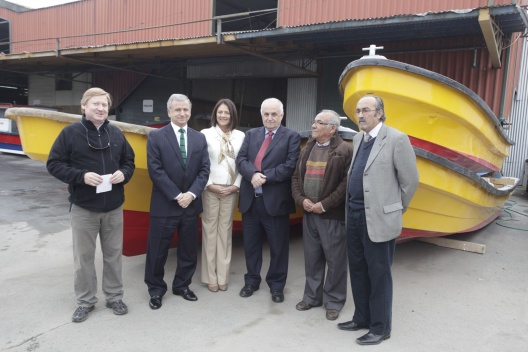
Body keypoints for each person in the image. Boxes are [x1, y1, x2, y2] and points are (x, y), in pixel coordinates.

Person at [47, 87, 135, 323]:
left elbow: (129, 161)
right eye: (95, 104)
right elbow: (54, 164)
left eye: (104, 105)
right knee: (83, 258)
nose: (100, 108)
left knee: (113, 255)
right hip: (84, 208)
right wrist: (81, 176)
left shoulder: (117, 134)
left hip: (114, 208)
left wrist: (123, 174)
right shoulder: (69, 134)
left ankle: (114, 297)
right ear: (84, 106)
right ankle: (86, 301)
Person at [338, 95, 418, 345]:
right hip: (353, 214)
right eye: (358, 111)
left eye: (366, 110)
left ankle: (381, 327)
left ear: (380, 113)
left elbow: (410, 181)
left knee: (379, 273)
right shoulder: (359, 138)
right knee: (359, 270)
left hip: (379, 218)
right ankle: (362, 318)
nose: (360, 115)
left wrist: (395, 209)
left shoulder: (396, 139)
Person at [144, 94, 209, 310]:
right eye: (177, 110)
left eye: (186, 110)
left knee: (189, 249)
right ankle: (155, 290)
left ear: (190, 112)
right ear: (169, 112)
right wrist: (176, 195)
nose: (182, 113)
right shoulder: (156, 137)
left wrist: (191, 194)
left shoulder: (199, 138)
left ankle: (182, 285)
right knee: (157, 250)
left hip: (190, 205)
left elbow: (204, 170)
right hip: (165, 204)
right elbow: (155, 170)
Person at [236, 97, 300, 303]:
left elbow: (290, 165)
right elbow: (241, 159)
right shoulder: (251, 134)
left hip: (275, 203)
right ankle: (252, 281)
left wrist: (264, 176)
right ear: (261, 115)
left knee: (278, 247)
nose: (270, 118)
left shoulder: (291, 136)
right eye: (266, 114)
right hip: (250, 201)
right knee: (251, 245)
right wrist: (253, 174)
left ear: (282, 115)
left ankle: (277, 285)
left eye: (274, 114)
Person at [291, 109, 352, 321]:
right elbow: (296, 178)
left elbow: (346, 185)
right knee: (312, 258)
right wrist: (302, 200)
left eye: (319, 122)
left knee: (335, 260)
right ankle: (311, 297)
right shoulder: (307, 147)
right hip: (309, 214)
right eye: (314, 121)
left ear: (332, 128)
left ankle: (334, 301)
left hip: (331, 215)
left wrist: (324, 205)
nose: (314, 126)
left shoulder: (344, 149)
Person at [200, 99, 245, 292]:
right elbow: (201, 162)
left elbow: (243, 162)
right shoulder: (205, 134)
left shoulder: (241, 136)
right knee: (209, 232)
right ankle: (210, 276)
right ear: (215, 114)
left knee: (225, 233)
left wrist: (236, 186)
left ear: (232, 115)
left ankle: (223, 276)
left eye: (227, 112)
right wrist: (209, 184)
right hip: (210, 189)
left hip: (230, 190)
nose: (223, 115)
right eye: (220, 112)